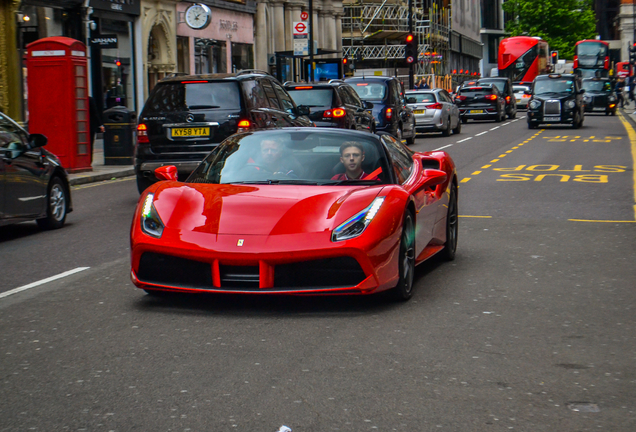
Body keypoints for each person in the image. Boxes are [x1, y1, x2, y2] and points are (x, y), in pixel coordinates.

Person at [88, 96, 105, 165]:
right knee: (90, 144)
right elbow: (95, 113)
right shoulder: (90, 99)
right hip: (91, 126)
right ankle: (89, 161)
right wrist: (100, 125)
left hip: (81, 127)